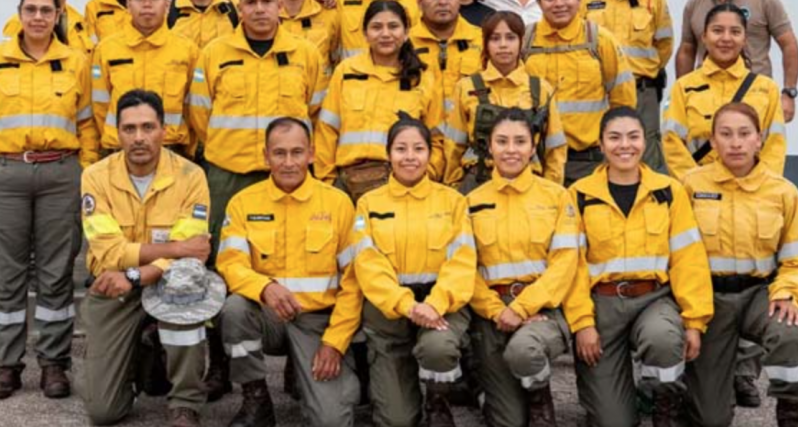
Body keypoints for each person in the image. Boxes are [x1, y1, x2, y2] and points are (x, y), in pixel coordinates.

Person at [186, 0, 327, 399]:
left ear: (280, 4)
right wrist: (231, 152)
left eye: (268, 1)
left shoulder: (305, 53)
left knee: (297, 259)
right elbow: (200, 114)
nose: (260, 9)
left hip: (287, 173)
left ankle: (296, 362)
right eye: (251, 2)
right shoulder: (214, 53)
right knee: (219, 270)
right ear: (239, 7)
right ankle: (219, 363)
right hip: (227, 177)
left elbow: (316, 112)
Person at [0, 0, 98, 400]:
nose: (38, 17)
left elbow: (88, 123)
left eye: (46, 11)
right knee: (6, 273)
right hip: (4, 176)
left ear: (58, 15)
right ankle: (6, 364)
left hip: (60, 175)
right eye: (31, 9)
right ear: (19, 13)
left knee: (56, 274)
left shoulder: (75, 62)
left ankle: (54, 363)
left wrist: (85, 170)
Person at [564, 107, 713, 427]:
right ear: (601, 144)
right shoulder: (579, 195)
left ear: (645, 142)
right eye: (614, 138)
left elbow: (689, 260)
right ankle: (620, 398)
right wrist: (582, 323)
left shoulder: (669, 191)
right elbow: (571, 267)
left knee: (663, 339)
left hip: (653, 300)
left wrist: (694, 321)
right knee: (613, 421)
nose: (624, 145)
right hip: (602, 306)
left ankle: (663, 405)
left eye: (633, 137)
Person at [80, 90, 215, 427]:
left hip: (168, 284)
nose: (139, 137)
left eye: (148, 127)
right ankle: (141, 356)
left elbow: (191, 255)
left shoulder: (191, 176)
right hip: (113, 287)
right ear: (117, 133)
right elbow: (109, 251)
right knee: (103, 412)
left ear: (163, 131)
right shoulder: (95, 176)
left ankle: (185, 403)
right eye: (129, 129)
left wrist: (138, 274)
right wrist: (175, 249)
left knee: (185, 283)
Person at [681, 103, 798, 427]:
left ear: (759, 139)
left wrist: (788, 293)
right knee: (709, 419)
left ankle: (791, 412)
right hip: (709, 300)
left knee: (789, 333)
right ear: (713, 141)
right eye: (726, 134)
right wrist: (689, 311)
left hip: (761, 294)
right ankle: (711, 387)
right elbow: (678, 257)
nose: (736, 143)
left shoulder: (782, 191)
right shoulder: (690, 186)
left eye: (744, 134)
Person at [217, 117, 362, 427]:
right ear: (266, 156)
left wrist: (334, 343)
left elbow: (353, 283)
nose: (288, 162)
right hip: (268, 316)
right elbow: (231, 264)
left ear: (311, 154)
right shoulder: (243, 203)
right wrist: (264, 287)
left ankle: (303, 371)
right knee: (235, 309)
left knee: (331, 422)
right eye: (279, 153)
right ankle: (256, 398)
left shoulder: (338, 204)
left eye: (297, 152)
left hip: (318, 323)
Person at [351, 117, 476, 427]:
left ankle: (438, 401)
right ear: (388, 154)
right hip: (390, 314)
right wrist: (407, 305)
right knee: (396, 421)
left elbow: (461, 263)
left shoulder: (453, 201)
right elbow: (369, 265)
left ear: (430, 154)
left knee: (438, 348)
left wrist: (435, 304)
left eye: (418, 149)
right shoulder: (368, 204)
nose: (410, 157)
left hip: (440, 308)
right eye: (401, 149)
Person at [466, 108, 581, 427]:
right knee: (507, 421)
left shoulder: (557, 196)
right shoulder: (471, 202)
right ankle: (489, 391)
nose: (511, 150)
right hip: (492, 316)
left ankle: (540, 399)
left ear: (533, 147)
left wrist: (521, 307)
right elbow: (465, 270)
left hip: (542, 310)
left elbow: (564, 263)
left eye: (520, 141)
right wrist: (497, 311)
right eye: (502, 141)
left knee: (524, 351)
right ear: (489, 147)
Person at [315, 0, 444, 202]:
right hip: (346, 183)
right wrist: (328, 182)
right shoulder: (346, 71)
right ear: (365, 33)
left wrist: (424, 177)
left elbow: (437, 138)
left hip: (402, 184)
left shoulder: (423, 76)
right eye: (376, 27)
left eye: (393, 26)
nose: (385, 34)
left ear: (406, 32)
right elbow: (326, 130)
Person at [524, 0, 636, 185]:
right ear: (539, 3)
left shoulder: (600, 40)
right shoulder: (525, 41)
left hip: (587, 162)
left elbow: (623, 103)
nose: (558, 4)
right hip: (534, 162)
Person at [676, 0, 798, 122]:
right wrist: (682, 94)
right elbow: (686, 50)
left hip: (755, 99)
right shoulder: (694, 4)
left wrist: (789, 93)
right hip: (705, 104)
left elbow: (789, 44)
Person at [444, 11, 567, 191]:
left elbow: (554, 148)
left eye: (510, 38)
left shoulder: (541, 89)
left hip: (530, 186)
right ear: (485, 44)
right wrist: (454, 188)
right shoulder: (466, 87)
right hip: (478, 183)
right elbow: (454, 145)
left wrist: (551, 190)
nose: (503, 45)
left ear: (521, 42)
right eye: (495, 38)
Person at [581, 0, 674, 172]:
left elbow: (664, 45)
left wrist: (644, 71)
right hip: (600, 94)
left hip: (643, 92)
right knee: (604, 153)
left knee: (647, 154)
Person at [663, 3, 787, 179]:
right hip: (700, 189)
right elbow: (672, 143)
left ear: (745, 39)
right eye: (717, 31)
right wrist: (695, 184)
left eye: (735, 32)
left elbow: (775, 146)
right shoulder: (683, 87)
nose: (726, 38)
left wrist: (759, 185)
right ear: (704, 37)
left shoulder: (767, 88)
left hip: (753, 188)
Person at [90, 0, 198, 155]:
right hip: (120, 151)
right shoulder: (106, 49)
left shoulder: (188, 50)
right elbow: (99, 107)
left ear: (167, 5)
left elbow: (194, 109)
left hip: (172, 149)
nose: (147, 4)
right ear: (128, 5)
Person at [409, 0, 484, 112]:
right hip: (419, 126)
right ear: (419, 1)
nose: (442, 2)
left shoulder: (482, 40)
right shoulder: (405, 44)